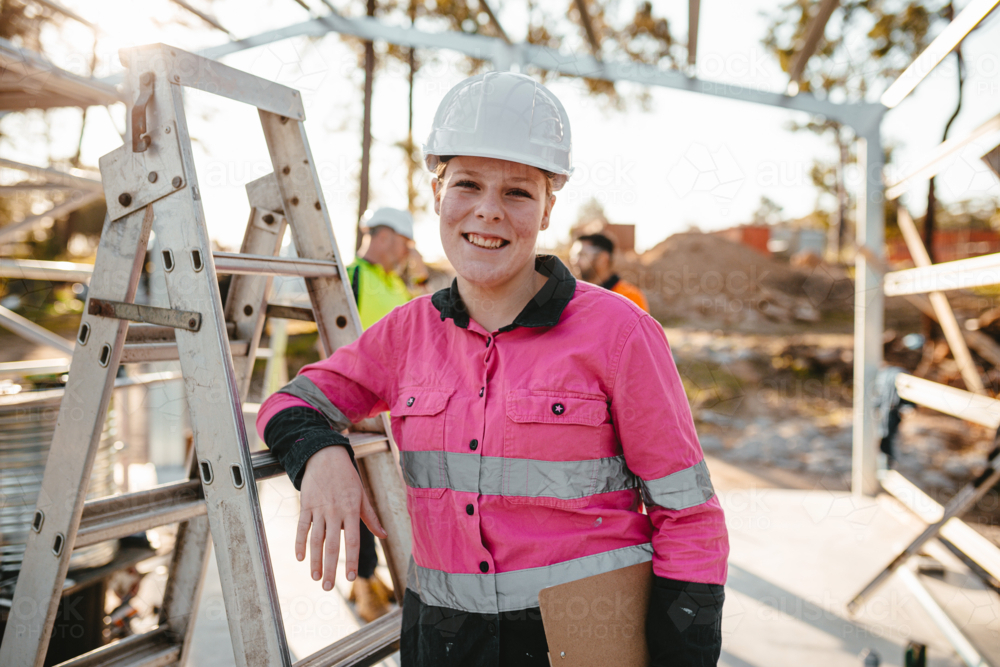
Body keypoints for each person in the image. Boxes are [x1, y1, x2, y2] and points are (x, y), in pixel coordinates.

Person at [257, 71, 728, 667]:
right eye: (468, 184)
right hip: (446, 641)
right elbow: (293, 402)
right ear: (436, 192)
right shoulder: (407, 333)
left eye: (518, 192)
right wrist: (322, 456)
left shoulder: (620, 333)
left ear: (549, 207)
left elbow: (688, 514)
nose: (487, 212)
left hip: (588, 643)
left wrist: (682, 650)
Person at [571, 232, 650, 312]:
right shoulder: (574, 296)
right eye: (573, 256)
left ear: (603, 258)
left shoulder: (630, 297)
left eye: (582, 255)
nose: (574, 261)